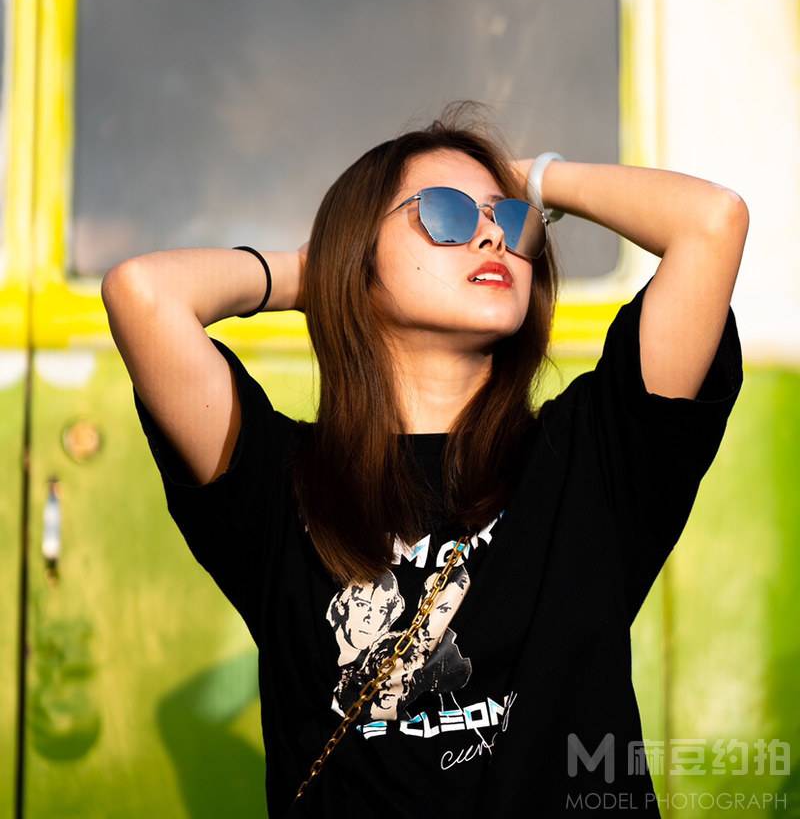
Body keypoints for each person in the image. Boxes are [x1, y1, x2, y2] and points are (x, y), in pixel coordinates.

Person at [101, 101, 747, 818]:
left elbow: (710, 222)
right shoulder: (283, 485)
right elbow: (143, 294)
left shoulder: (593, 455)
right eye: (445, 213)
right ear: (360, 255)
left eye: (511, 222)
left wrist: (535, 181)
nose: (492, 237)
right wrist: (317, 273)